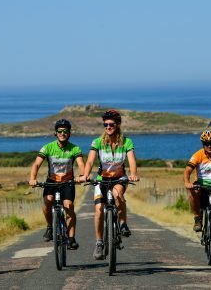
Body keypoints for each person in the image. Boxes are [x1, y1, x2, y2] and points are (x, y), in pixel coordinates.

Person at [79, 109, 139, 260]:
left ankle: (123, 223)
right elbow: (91, 160)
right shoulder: (97, 142)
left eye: (111, 124)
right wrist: (85, 175)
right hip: (102, 179)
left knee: (118, 195)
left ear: (118, 124)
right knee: (99, 209)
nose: (108, 127)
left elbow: (131, 160)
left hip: (119, 178)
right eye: (105, 124)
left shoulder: (127, 141)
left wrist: (133, 173)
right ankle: (99, 243)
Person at [29, 119, 85, 250]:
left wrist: (82, 176)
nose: (63, 133)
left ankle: (71, 238)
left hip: (67, 182)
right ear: (55, 133)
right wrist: (33, 178)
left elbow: (81, 164)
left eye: (65, 131)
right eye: (60, 131)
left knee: (69, 205)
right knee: (48, 201)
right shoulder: (48, 147)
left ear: (69, 133)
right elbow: (36, 164)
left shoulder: (75, 148)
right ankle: (50, 226)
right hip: (52, 181)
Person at [184, 130, 211, 257]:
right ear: (203, 144)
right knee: (193, 191)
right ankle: (197, 219)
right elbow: (187, 171)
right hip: (201, 186)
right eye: (206, 143)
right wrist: (187, 182)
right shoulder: (197, 155)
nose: (209, 146)